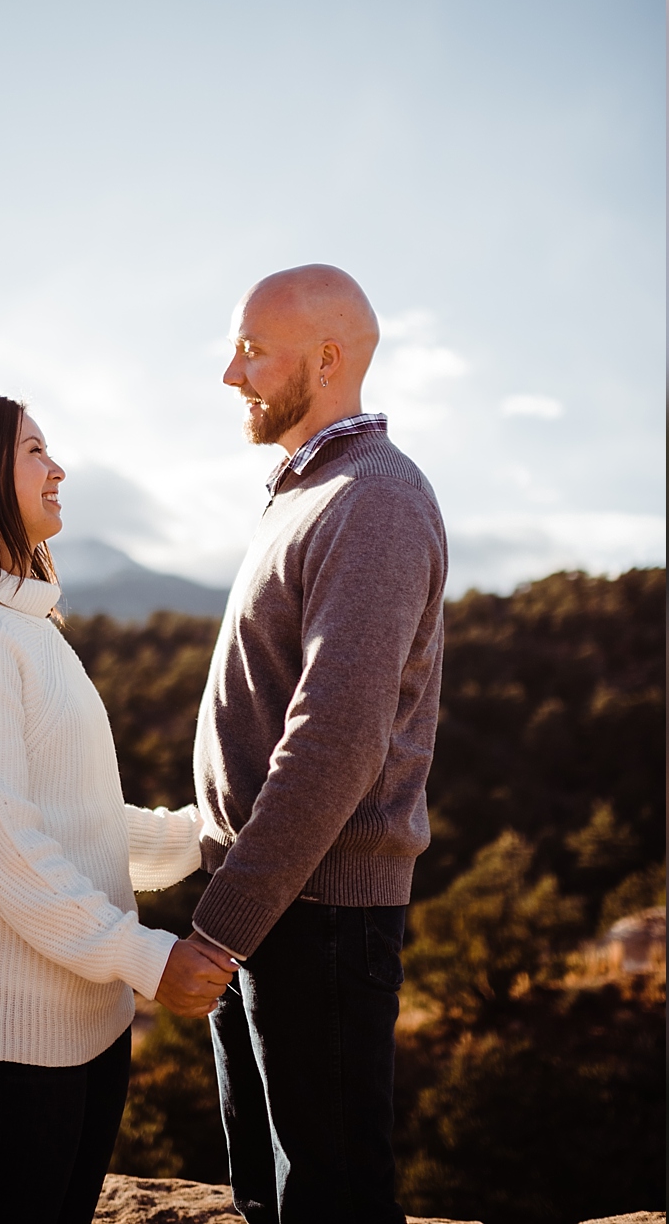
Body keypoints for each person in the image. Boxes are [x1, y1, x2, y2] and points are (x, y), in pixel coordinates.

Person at [0, 393, 236, 1224]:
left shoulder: (25, 626)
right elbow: (14, 853)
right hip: (9, 1045)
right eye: (34, 450)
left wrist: (207, 831)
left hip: (88, 1030)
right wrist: (150, 959)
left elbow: (83, 820)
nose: (58, 468)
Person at [189, 264, 448, 1224]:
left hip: (318, 915)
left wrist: (222, 927)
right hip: (269, 902)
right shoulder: (309, 491)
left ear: (328, 359)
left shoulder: (374, 498)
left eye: (253, 350)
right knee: (268, 1197)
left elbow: (335, 741)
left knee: (329, 1202)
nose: (231, 374)